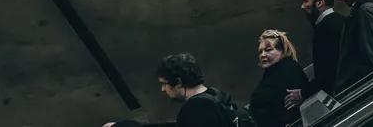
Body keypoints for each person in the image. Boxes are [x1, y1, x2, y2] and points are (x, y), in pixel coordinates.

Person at [103, 52, 235, 127]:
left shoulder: (196, 109)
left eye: (164, 84)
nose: (162, 89)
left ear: (178, 82)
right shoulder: (215, 94)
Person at [284, 0, 345, 112]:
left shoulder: (323, 29)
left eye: (306, 1)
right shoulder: (341, 19)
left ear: (319, 3)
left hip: (339, 94)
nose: (302, 6)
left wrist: (303, 93)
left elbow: (326, 73)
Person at [250, 31, 309, 127]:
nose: (262, 55)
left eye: (268, 50)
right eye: (260, 52)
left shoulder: (288, 70)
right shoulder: (271, 75)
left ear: (282, 51)